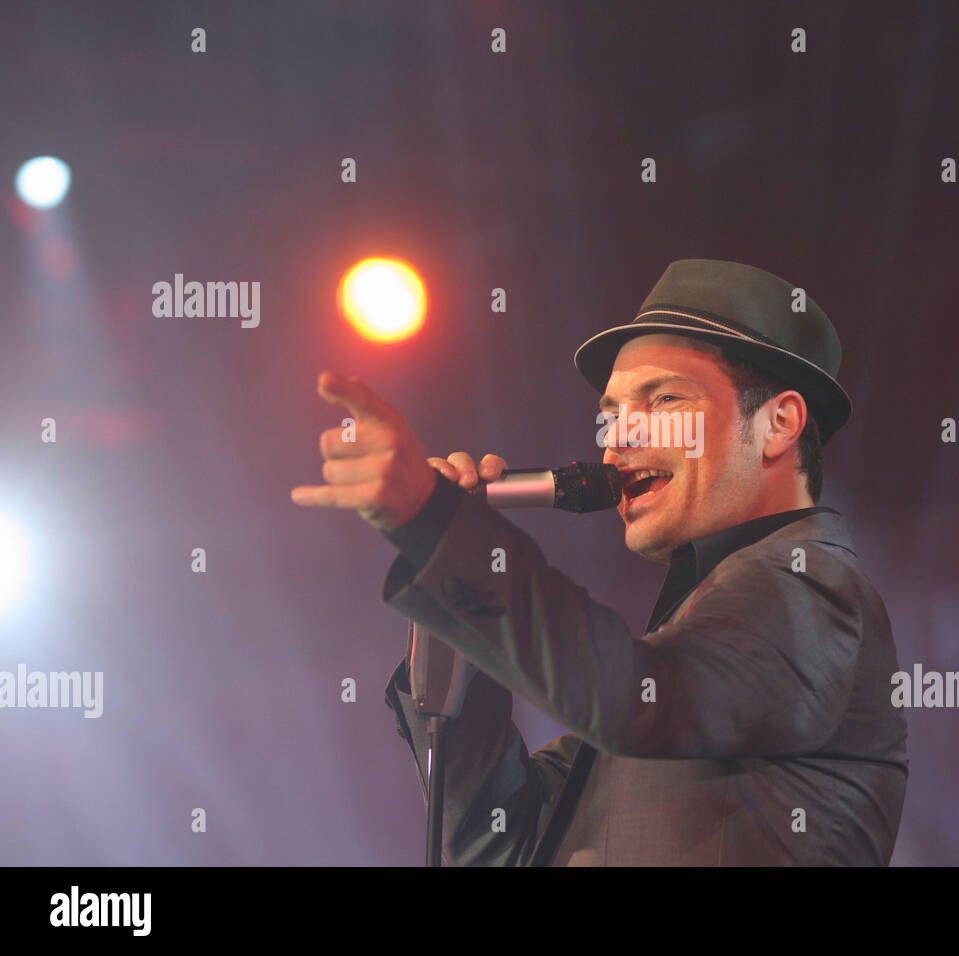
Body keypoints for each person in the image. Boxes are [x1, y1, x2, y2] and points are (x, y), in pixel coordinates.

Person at [291, 258, 908, 865]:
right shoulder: (682, 663)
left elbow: (639, 700)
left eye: (663, 400)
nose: (618, 439)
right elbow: (493, 844)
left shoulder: (811, 586)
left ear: (778, 424)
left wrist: (443, 531)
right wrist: (449, 577)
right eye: (610, 416)